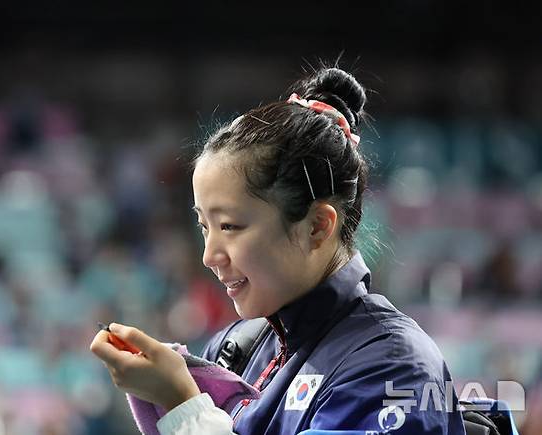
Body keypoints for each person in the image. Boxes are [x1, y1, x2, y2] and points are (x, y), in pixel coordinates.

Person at [90, 66, 467, 434]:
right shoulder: (234, 347)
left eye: (230, 227)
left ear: (318, 226)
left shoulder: (392, 367)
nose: (209, 255)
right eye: (204, 227)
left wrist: (183, 404)